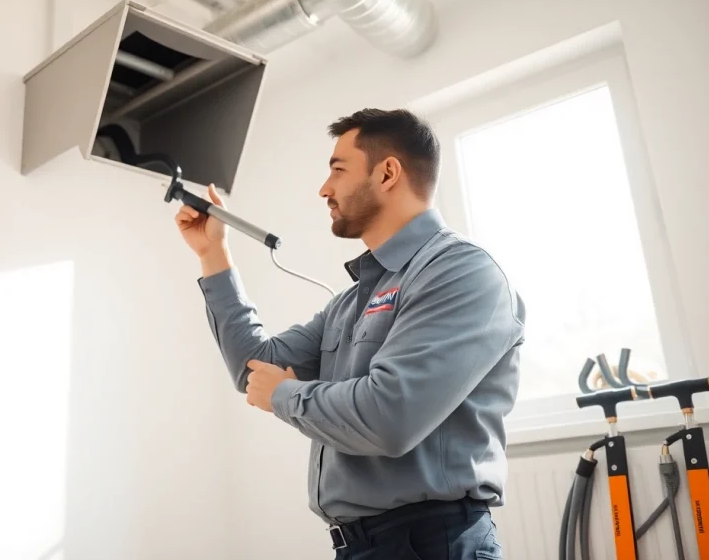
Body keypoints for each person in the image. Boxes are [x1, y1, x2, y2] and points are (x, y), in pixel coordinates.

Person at [174, 108, 525, 559]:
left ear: (388, 173)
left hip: (433, 543)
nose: (324, 189)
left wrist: (285, 394)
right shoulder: (350, 302)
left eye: (337, 170)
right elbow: (253, 369)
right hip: (359, 546)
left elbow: (390, 416)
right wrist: (213, 253)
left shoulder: (461, 272)